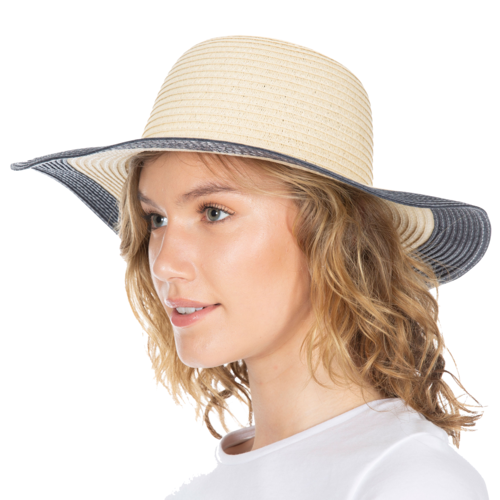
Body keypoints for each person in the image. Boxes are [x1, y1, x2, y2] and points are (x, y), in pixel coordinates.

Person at [11, 35, 491, 499]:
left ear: (332, 236)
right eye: (156, 219)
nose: (165, 264)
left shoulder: (412, 482)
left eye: (214, 212)